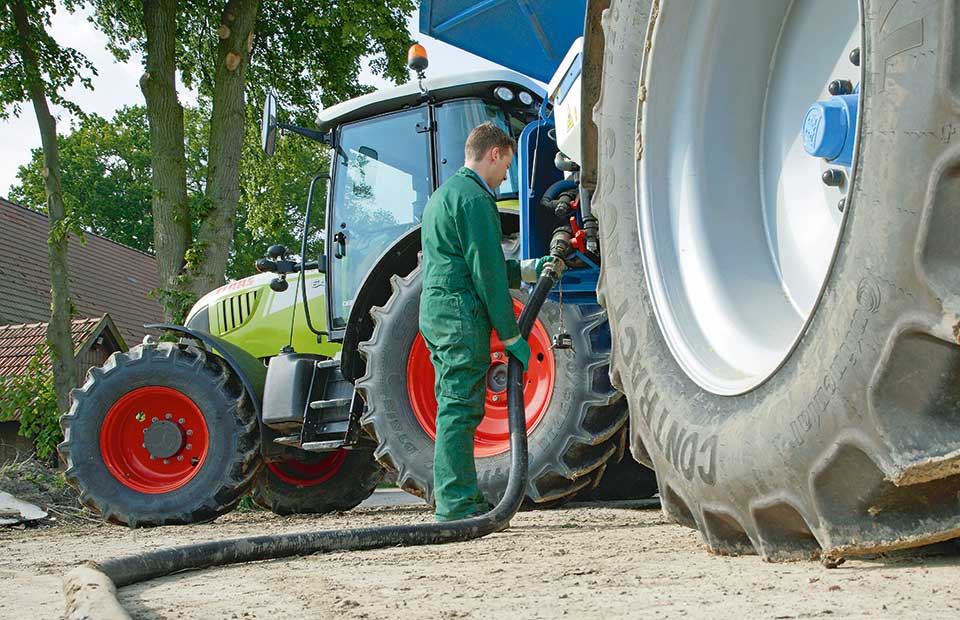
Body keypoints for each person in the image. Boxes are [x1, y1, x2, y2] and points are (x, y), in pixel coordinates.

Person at [419, 121, 554, 522]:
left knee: (453, 404)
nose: (504, 176)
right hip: (459, 315)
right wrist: (512, 335)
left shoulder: (443, 196)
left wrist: (527, 270)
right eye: (507, 166)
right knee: (460, 408)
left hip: (438, 311)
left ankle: (459, 495)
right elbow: (486, 274)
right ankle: (456, 503)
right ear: (494, 152)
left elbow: (473, 262)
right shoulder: (476, 199)